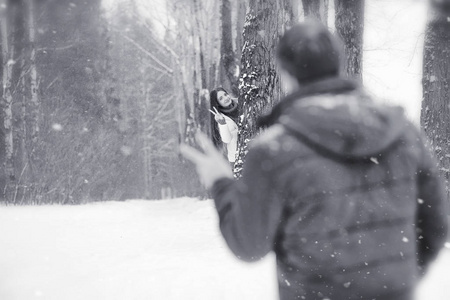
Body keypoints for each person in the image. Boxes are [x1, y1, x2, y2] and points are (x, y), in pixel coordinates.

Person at [180, 21, 448, 300]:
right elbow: (437, 225)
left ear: (285, 74)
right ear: (339, 63)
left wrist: (221, 182)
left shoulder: (273, 150)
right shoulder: (404, 133)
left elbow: (248, 244)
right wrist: (393, 278)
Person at [209, 87, 239, 165]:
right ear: (218, 104)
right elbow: (227, 140)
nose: (226, 98)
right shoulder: (221, 117)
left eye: (225, 94)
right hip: (236, 158)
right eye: (221, 98)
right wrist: (222, 124)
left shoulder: (240, 104)